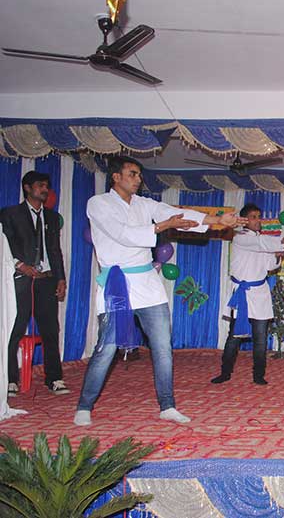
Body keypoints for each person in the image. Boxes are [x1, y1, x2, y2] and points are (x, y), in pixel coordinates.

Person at [74, 156, 246, 426]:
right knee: (107, 348)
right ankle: (84, 406)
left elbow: (173, 212)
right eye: (132, 174)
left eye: (139, 174)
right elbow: (123, 234)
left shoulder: (144, 204)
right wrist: (162, 227)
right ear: (116, 177)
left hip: (147, 284)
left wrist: (218, 220)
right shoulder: (98, 203)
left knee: (163, 346)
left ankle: (167, 405)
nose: (138, 179)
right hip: (116, 284)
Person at [211, 203, 284, 385]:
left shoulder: (261, 241)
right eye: (253, 217)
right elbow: (259, 244)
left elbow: (269, 265)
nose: (257, 220)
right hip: (242, 294)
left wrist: (277, 256)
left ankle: (258, 375)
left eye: (259, 217)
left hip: (260, 293)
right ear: (244, 220)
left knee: (260, 338)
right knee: (234, 337)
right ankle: (225, 372)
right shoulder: (240, 238)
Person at [0, 171, 68, 397]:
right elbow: (4, 245)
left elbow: (55, 251)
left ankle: (54, 378)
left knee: (50, 330)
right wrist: (19, 265)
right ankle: (10, 380)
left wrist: (61, 278)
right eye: (40, 185)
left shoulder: (51, 217)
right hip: (21, 280)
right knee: (15, 329)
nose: (45, 189)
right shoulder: (10, 214)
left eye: (47, 186)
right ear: (27, 188)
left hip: (46, 280)